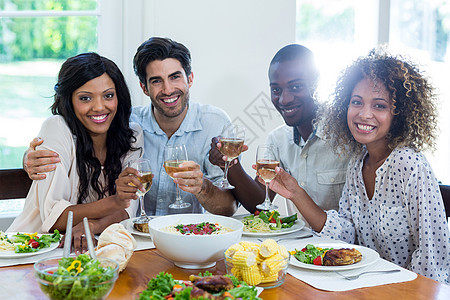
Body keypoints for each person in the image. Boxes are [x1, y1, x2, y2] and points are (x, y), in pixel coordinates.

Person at [266, 49, 450, 284]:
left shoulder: (409, 165)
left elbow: (432, 259)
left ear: (399, 113)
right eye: (356, 102)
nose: (364, 114)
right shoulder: (357, 162)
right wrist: (295, 193)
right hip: (364, 285)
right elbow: (346, 232)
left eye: (379, 106)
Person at [23, 37, 237, 217]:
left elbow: (229, 208)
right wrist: (30, 158)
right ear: (144, 87)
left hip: (188, 238)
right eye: (156, 81)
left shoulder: (215, 122)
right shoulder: (126, 124)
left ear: (190, 78)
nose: (168, 89)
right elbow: (74, 135)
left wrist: (202, 187)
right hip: (136, 239)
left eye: (175, 77)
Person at [8, 53, 144, 252]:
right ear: (69, 100)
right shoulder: (56, 128)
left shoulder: (131, 134)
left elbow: (127, 212)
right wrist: (115, 201)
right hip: (32, 250)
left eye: (108, 95)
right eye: (85, 98)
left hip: (92, 248)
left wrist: (94, 225)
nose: (99, 107)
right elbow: (56, 219)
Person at [209, 44, 349, 217]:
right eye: (276, 89)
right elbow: (259, 202)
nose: (284, 99)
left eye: (296, 87)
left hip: (341, 244)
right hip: (297, 243)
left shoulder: (348, 137)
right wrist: (229, 163)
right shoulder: (278, 139)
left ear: (318, 84)